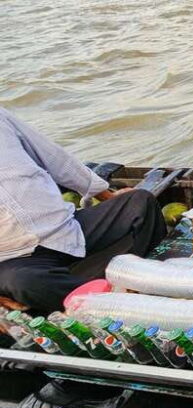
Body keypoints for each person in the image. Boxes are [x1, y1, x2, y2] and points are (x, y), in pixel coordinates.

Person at [0, 107, 166, 313]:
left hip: (67, 228)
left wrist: (107, 196)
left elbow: (54, 158)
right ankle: (110, 298)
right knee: (24, 283)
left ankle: (109, 284)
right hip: (16, 259)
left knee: (140, 203)